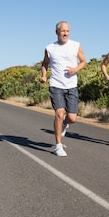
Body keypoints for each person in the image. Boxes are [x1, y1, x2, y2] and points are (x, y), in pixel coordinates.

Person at [40, 21, 86, 157]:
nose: (65, 33)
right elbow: (44, 64)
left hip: (71, 85)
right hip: (56, 84)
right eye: (62, 31)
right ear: (57, 32)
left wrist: (75, 69)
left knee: (72, 118)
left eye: (67, 31)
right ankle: (58, 145)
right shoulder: (49, 48)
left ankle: (65, 124)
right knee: (59, 113)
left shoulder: (76, 45)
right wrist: (44, 75)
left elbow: (83, 62)